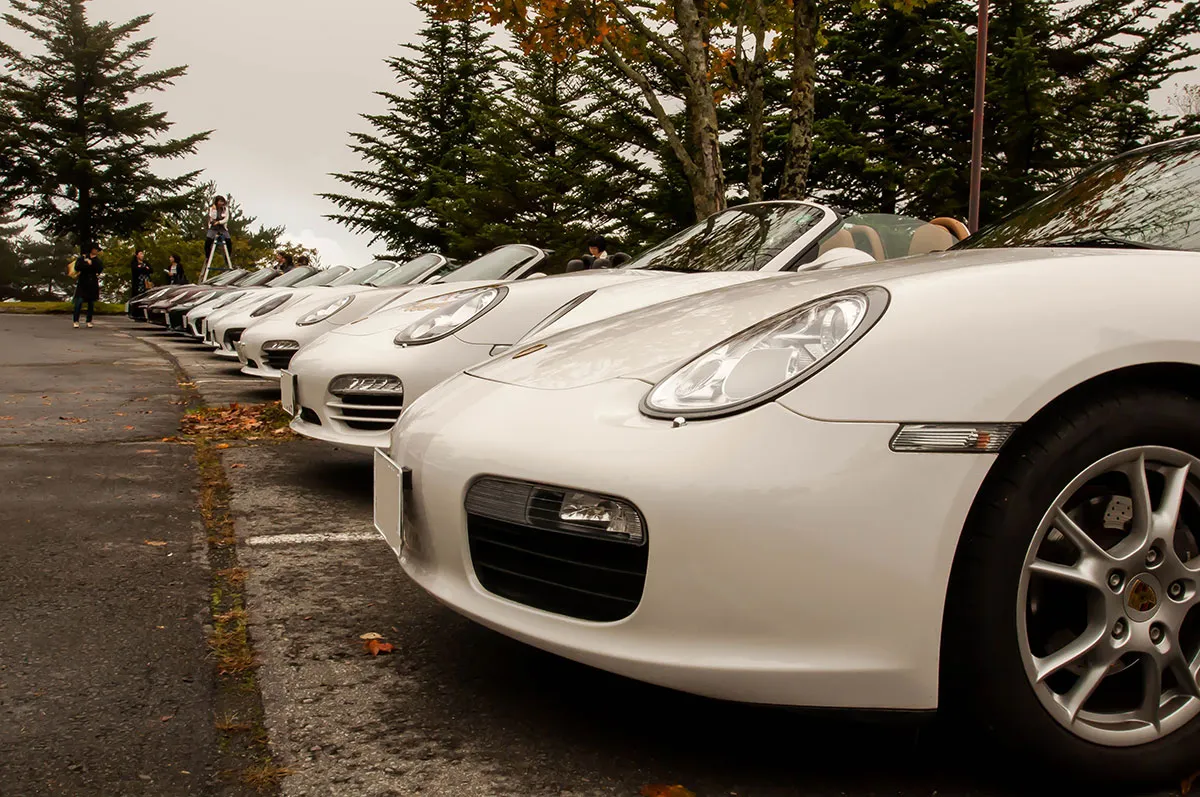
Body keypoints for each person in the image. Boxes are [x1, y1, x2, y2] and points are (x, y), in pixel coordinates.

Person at [72, 243, 104, 329]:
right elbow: (77, 267)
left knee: (91, 303)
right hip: (83, 282)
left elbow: (99, 269)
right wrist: (87, 264)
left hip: (92, 283)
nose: (96, 251)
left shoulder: (98, 261)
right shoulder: (83, 258)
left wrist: (91, 264)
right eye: (95, 249)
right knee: (79, 302)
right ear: (91, 249)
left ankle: (89, 320)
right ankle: (76, 320)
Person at [204, 195, 233, 265]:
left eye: (222, 201)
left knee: (229, 242)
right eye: (220, 201)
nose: (221, 203)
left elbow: (226, 219)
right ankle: (208, 257)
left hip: (222, 227)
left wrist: (219, 222)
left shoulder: (225, 209)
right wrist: (214, 210)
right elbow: (213, 217)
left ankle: (227, 258)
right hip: (213, 228)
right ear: (217, 202)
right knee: (208, 242)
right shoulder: (212, 209)